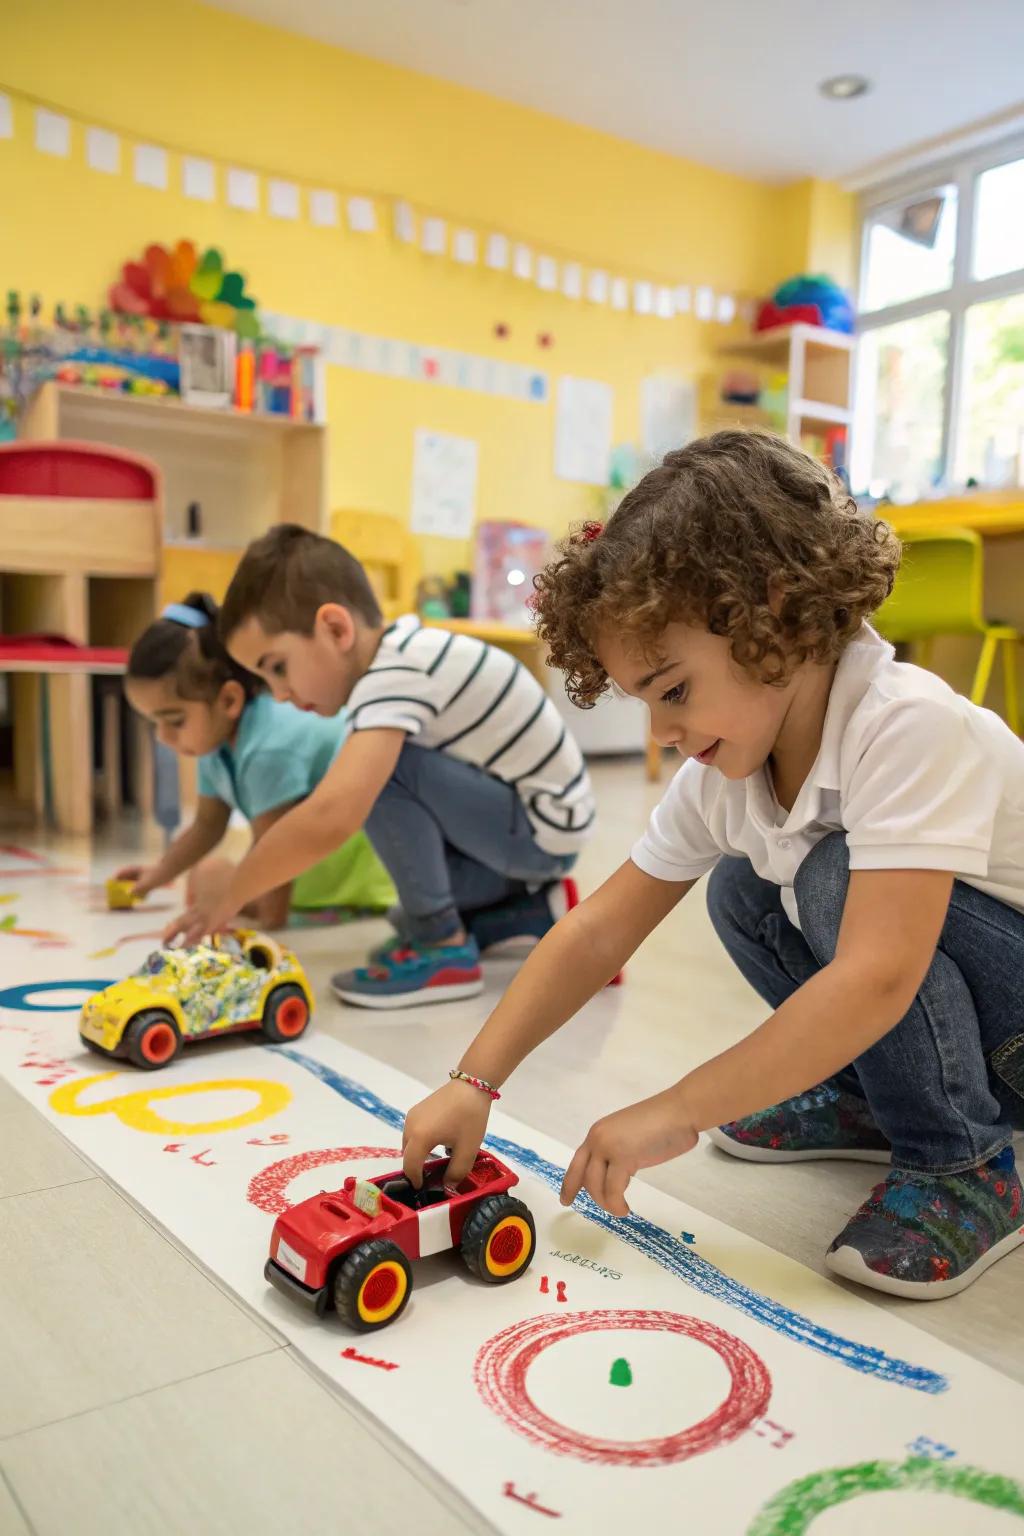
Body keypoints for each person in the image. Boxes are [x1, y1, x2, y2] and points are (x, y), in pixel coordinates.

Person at [401, 430, 1024, 1300]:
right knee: (741, 888)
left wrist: (677, 1108)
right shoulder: (729, 768)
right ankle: (867, 1098)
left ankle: (964, 1158)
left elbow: (881, 977)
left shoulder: (907, 723)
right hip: (965, 1007)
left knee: (829, 880)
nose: (661, 734)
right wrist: (474, 1080)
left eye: (674, 691)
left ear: (775, 610)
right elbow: (596, 930)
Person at [164, 531, 593, 1007]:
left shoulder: (394, 673)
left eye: (278, 668)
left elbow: (333, 815)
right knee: (403, 906)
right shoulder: (402, 654)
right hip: (533, 834)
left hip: (537, 832)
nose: (280, 694)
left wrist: (232, 893)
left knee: (382, 774)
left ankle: (441, 948)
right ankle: (530, 910)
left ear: (335, 629)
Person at [120, 593, 394, 928]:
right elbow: (207, 824)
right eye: (154, 723)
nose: (163, 736)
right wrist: (157, 874)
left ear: (229, 700)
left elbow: (279, 845)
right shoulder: (217, 741)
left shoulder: (269, 748)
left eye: (175, 720)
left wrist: (267, 920)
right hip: (315, 855)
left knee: (215, 875)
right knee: (210, 877)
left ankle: (312, 904)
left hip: (354, 864)